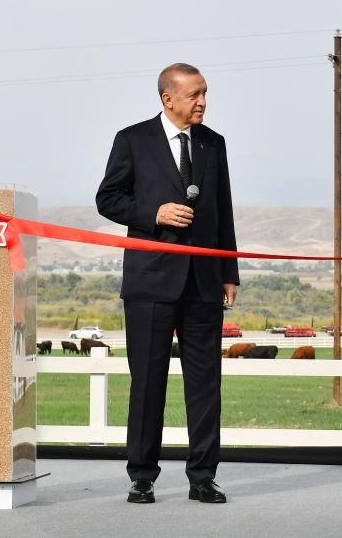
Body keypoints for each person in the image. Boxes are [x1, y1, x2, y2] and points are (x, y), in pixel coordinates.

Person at [96, 62, 239, 504]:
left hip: (203, 283)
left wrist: (229, 271)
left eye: (205, 93)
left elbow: (223, 210)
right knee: (148, 384)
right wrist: (153, 213)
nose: (203, 102)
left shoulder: (214, 144)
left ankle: (202, 477)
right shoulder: (132, 140)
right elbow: (108, 198)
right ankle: (142, 476)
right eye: (195, 94)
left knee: (205, 384)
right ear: (168, 98)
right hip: (150, 283)